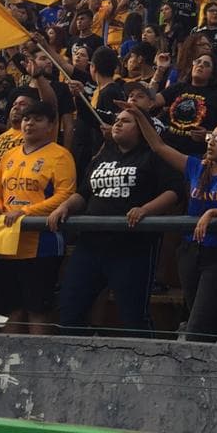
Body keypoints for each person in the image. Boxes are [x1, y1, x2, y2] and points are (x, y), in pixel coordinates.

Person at [50, 105, 182, 335]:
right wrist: (65, 206)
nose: (118, 123)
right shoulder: (103, 155)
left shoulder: (152, 155)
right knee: (70, 309)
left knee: (133, 316)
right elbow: (83, 193)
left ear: (142, 128)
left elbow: (174, 191)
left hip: (131, 246)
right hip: (90, 243)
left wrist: (146, 209)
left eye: (126, 121)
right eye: (117, 119)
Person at [132, 105, 217, 342]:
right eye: (211, 137)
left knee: (196, 325)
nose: (210, 141)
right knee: (200, 315)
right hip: (189, 250)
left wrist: (213, 213)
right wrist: (139, 115)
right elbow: (159, 146)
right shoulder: (196, 166)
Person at [0, 100, 77, 335]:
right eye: (27, 118)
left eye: (37, 119)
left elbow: (65, 195)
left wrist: (24, 213)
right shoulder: (9, 155)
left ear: (51, 126)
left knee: (38, 309)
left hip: (41, 246)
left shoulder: (60, 156)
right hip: (6, 244)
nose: (29, 123)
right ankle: (6, 363)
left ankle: (38, 365)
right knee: (9, 309)